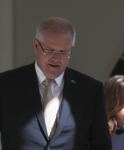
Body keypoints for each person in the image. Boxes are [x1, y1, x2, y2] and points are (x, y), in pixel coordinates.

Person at [0, 17, 111, 150]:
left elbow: (101, 145)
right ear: (36, 46)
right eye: (49, 50)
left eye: (63, 52)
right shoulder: (6, 85)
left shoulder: (91, 91)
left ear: (71, 49)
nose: (56, 58)